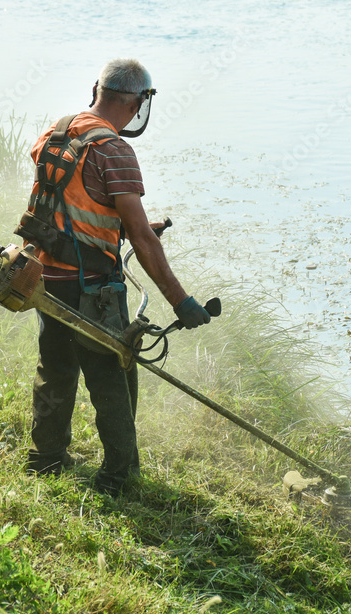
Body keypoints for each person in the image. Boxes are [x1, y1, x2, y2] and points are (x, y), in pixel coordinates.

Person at [18, 58, 211, 495]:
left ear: (96, 90)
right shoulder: (115, 150)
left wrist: (118, 227)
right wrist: (182, 302)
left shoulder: (57, 132)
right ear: (139, 103)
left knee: (56, 368)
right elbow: (144, 241)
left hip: (46, 277)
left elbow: (68, 204)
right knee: (111, 376)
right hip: (93, 288)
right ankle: (120, 477)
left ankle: (45, 459)